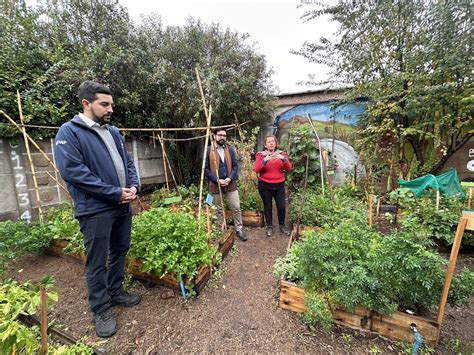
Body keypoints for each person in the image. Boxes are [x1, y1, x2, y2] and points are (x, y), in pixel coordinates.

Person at [54, 81, 141, 338]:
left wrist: (133, 185)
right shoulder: (69, 132)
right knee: (97, 261)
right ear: (86, 103)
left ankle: (115, 292)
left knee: (120, 250)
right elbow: (75, 173)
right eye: (105, 104)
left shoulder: (113, 132)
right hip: (95, 210)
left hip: (122, 205)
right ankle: (100, 308)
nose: (110, 109)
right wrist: (114, 192)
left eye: (111, 104)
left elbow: (128, 162)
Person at [205, 128, 247, 241]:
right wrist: (216, 180)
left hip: (230, 183)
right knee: (218, 209)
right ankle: (220, 229)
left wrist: (229, 178)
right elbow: (206, 170)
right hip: (215, 184)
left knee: (236, 207)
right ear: (214, 136)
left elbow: (235, 166)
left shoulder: (230, 149)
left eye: (224, 135)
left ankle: (239, 229)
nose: (222, 137)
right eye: (220, 135)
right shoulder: (209, 150)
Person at [254, 135, 292, 237]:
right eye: (269, 142)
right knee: (268, 206)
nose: (271, 143)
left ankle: (282, 226)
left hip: (279, 185)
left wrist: (283, 159)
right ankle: (269, 226)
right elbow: (257, 169)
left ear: (275, 143)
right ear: (265, 145)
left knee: (281, 207)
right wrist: (265, 160)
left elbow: (289, 168)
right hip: (265, 185)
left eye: (273, 141)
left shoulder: (282, 154)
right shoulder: (261, 155)